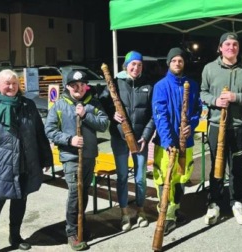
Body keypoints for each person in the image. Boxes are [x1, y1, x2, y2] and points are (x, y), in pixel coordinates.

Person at [0, 69, 53, 252]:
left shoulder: (28, 105)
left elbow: (39, 134)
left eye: (15, 83)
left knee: (20, 201)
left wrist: (45, 158)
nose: (11, 87)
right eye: (7, 83)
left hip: (25, 164)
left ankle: (15, 236)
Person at [44, 70, 109, 250]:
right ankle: (72, 231)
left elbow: (104, 124)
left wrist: (86, 115)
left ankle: (82, 224)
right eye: (74, 85)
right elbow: (49, 130)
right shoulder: (59, 105)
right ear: (67, 86)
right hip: (71, 157)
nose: (79, 88)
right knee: (75, 192)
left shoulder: (92, 104)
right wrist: (69, 140)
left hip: (89, 156)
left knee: (84, 191)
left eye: (82, 85)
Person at [200, 32, 242, 226]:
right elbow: (203, 93)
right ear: (220, 47)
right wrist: (215, 101)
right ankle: (214, 202)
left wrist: (236, 98)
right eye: (227, 44)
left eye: (234, 44)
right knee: (216, 166)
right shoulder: (209, 69)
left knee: (236, 167)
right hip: (216, 125)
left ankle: (237, 202)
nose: (231, 47)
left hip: (238, 125)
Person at [99, 51, 155, 232]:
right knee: (122, 177)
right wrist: (110, 114)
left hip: (140, 139)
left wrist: (146, 136)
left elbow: (153, 115)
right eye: (133, 64)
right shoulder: (115, 82)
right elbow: (101, 103)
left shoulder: (148, 85)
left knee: (140, 178)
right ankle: (124, 213)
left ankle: (140, 211)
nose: (136, 68)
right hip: (120, 137)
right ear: (126, 65)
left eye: (139, 65)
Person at [152, 47, 202, 235]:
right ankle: (165, 214)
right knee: (164, 177)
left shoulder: (192, 84)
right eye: (174, 60)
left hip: (186, 142)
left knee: (181, 177)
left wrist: (193, 125)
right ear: (168, 63)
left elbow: (197, 110)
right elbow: (160, 115)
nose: (177, 63)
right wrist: (168, 140)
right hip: (165, 143)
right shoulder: (161, 86)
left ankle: (173, 211)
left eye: (180, 60)